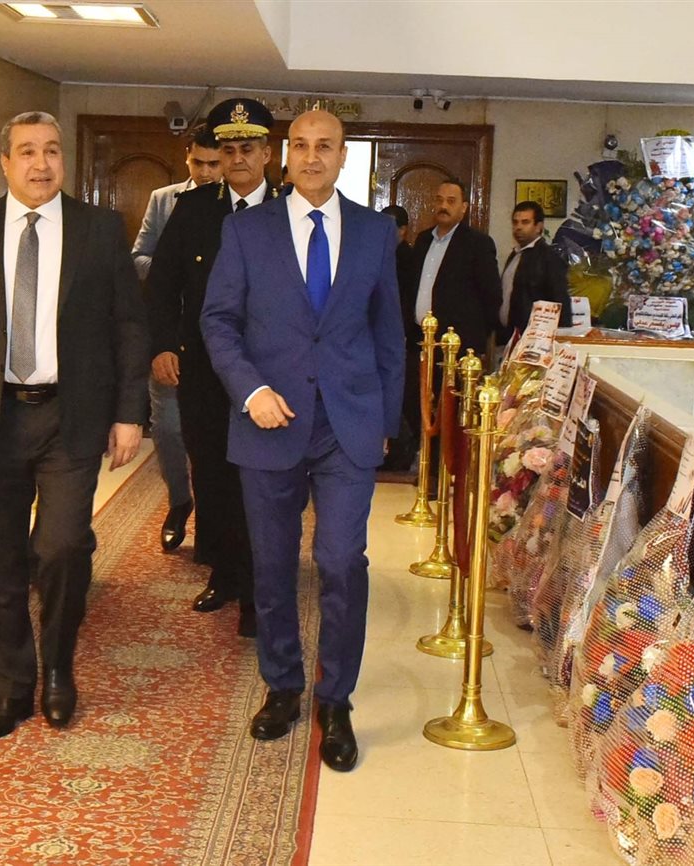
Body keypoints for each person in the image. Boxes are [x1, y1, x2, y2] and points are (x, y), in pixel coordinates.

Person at [0, 111, 149, 740]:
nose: (41, 164)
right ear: (5, 162)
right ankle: (11, 688)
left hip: (72, 415)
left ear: (64, 160)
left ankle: (59, 668)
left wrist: (130, 413)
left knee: (62, 547)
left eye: (52, 151)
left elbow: (129, 326)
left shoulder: (100, 230)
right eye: (28, 152)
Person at [201, 110, 405, 772]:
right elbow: (218, 321)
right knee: (272, 563)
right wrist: (251, 391)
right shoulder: (246, 229)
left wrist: (385, 424)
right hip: (270, 420)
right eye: (300, 145)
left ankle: (336, 699)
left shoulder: (375, 232)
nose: (312, 157)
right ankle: (284, 685)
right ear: (284, 154)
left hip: (348, 424)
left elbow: (389, 334)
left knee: (342, 561)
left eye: (325, 146)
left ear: (344, 156)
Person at [146, 97, 280, 639]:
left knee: (262, 481)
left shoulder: (288, 211)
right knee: (213, 475)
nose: (237, 158)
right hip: (203, 369)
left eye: (248, 148)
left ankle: (258, 589)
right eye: (229, 150)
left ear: (267, 154)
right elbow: (163, 284)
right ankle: (224, 574)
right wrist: (163, 345)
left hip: (268, 374)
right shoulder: (195, 209)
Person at [131, 126, 222, 554]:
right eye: (198, 163)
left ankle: (214, 518)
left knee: (214, 436)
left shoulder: (237, 203)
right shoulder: (164, 199)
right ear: (187, 158)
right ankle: (180, 500)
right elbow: (139, 256)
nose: (205, 172)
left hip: (219, 338)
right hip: (171, 332)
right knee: (167, 428)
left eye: (213, 164)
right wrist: (175, 272)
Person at [404, 179, 501, 358]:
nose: (443, 206)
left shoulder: (478, 244)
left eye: (451, 201)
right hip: (419, 341)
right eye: (439, 200)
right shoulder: (423, 239)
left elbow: (492, 296)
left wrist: (475, 339)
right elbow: (411, 287)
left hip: (456, 345)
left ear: (463, 207)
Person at [496, 200, 572, 346]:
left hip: (535, 341)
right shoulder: (515, 254)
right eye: (515, 222)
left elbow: (560, 301)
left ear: (538, 227)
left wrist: (560, 342)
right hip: (510, 337)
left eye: (525, 222)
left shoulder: (549, 258)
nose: (518, 227)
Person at [380, 204, 417, 473]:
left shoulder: (407, 259)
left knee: (402, 398)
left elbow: (405, 301)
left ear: (403, 231)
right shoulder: (377, 255)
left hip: (402, 336)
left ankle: (402, 452)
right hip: (382, 337)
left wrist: (401, 333)